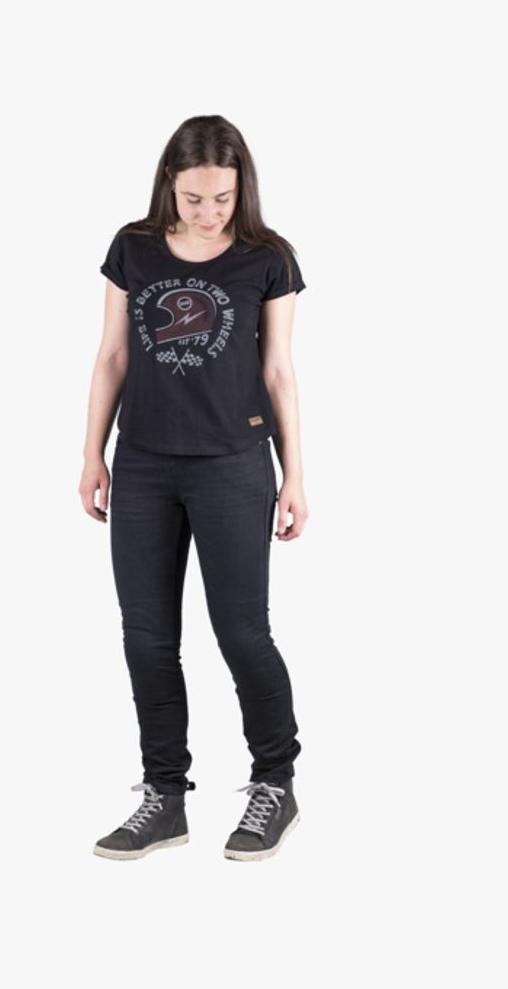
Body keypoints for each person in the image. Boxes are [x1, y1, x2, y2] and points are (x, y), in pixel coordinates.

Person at [79, 115, 309, 862]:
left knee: (242, 633)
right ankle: (165, 796)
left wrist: (295, 474)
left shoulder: (267, 259)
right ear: (168, 186)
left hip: (233, 464)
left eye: (222, 198)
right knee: (147, 637)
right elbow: (113, 356)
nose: (208, 212)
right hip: (143, 464)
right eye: (193, 198)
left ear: (242, 189)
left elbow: (278, 370)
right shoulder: (134, 248)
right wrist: (92, 454)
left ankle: (275, 782)